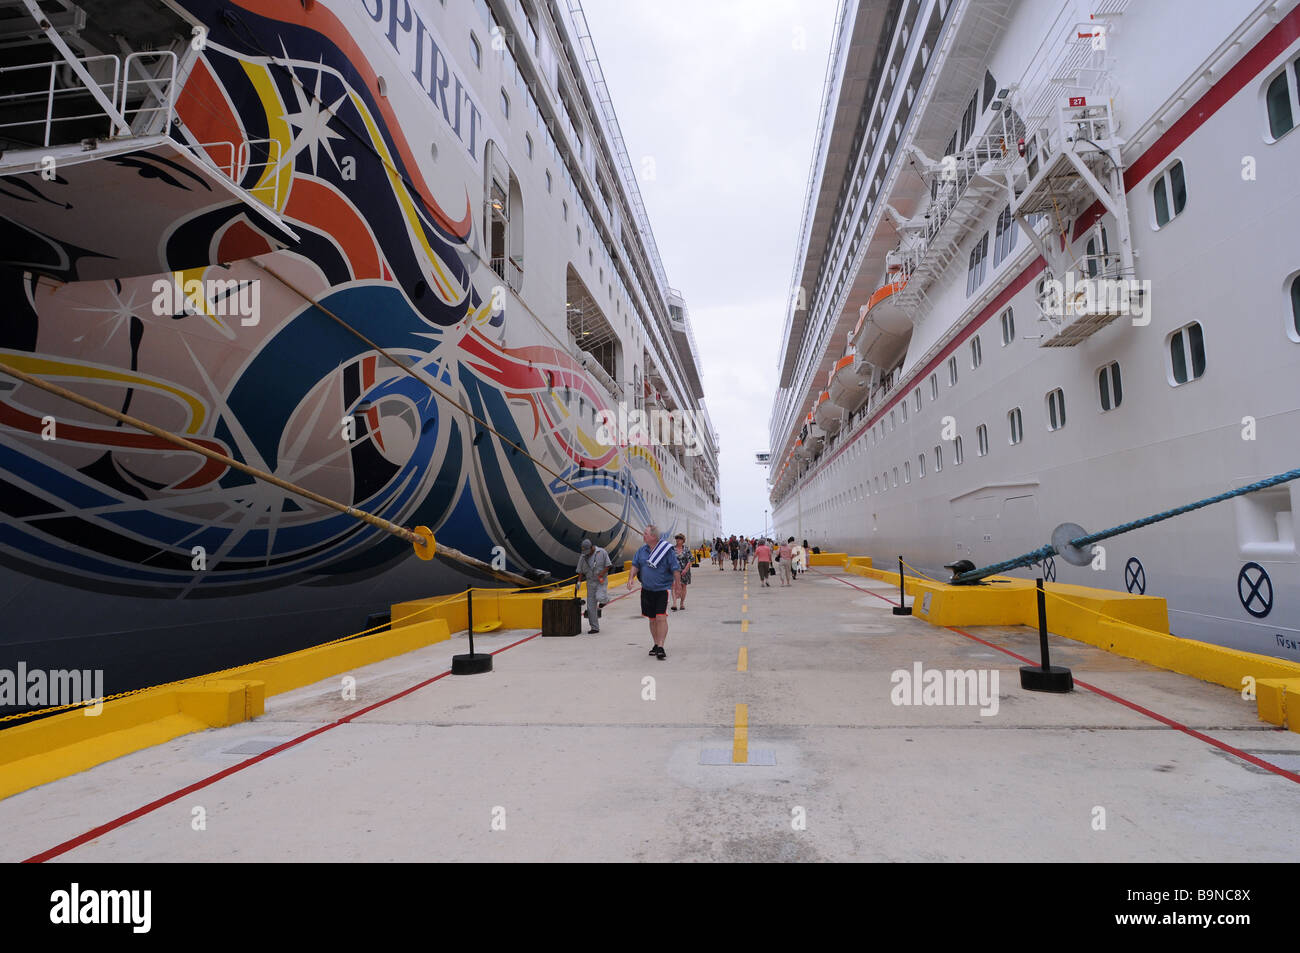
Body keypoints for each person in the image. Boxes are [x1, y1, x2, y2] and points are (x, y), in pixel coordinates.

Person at [627, 523, 681, 660]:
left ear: (653, 536)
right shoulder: (641, 551)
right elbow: (635, 565)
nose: (643, 535)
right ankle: (656, 644)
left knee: (661, 617)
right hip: (646, 590)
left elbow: (675, 569)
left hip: (662, 589)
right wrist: (630, 579)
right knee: (652, 620)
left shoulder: (666, 550)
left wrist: (678, 586)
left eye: (645, 533)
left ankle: (661, 646)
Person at [576, 538, 610, 633]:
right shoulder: (583, 556)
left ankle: (606, 599)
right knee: (590, 606)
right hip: (590, 582)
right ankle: (594, 628)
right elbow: (580, 571)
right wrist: (578, 582)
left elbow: (608, 565)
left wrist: (601, 574)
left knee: (600, 597)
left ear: (591, 547)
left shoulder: (602, 552)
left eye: (588, 551)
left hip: (601, 581)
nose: (587, 553)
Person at [671, 533, 691, 610]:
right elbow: (669, 559)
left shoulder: (686, 549)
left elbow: (690, 560)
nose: (678, 540)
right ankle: (674, 603)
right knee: (673, 586)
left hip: (685, 571)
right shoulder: (672, 549)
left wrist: (686, 569)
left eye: (679, 539)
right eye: (677, 538)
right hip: (674, 570)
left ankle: (682, 603)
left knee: (683, 586)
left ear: (683, 541)